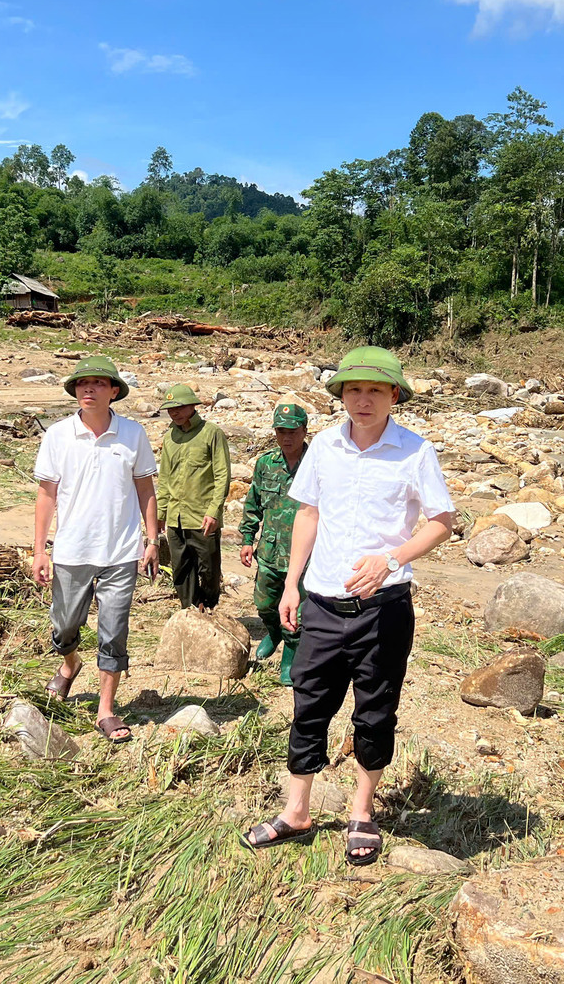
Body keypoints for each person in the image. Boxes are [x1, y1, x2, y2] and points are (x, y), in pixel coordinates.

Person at [241, 347, 455, 866]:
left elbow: (442, 521)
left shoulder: (415, 452)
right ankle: (297, 811)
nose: (363, 399)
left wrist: (392, 559)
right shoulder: (324, 450)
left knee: (376, 712)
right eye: (353, 390)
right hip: (321, 603)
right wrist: (291, 584)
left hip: (384, 607)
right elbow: (308, 514)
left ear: (394, 396)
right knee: (308, 705)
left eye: (375, 391)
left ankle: (362, 811)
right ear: (341, 396)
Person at [32, 356, 159, 744]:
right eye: (82, 383)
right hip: (72, 550)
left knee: (113, 631)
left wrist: (152, 540)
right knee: (64, 626)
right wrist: (40, 549)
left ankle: (105, 708)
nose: (89, 389)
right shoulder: (58, 435)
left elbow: (145, 488)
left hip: (121, 552)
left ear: (114, 391)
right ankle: (70, 664)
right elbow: (46, 493)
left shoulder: (133, 434)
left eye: (99, 384)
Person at [239, 402, 310, 686]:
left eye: (293, 430)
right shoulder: (266, 463)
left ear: (304, 430)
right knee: (265, 603)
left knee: (298, 609)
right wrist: (246, 538)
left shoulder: (317, 464)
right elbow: (253, 503)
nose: (287, 437)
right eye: (281, 431)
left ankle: (290, 656)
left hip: (305, 554)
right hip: (270, 549)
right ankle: (274, 631)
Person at [156, 383, 230, 612]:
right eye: (170, 409)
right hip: (175, 516)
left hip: (202, 516)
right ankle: (190, 610)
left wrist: (213, 511)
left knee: (209, 567)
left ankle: (208, 605)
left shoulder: (211, 433)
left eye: (178, 407)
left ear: (192, 406)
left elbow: (222, 475)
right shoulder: (170, 438)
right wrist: (160, 512)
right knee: (180, 567)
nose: (174, 413)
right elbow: (165, 477)